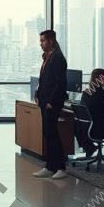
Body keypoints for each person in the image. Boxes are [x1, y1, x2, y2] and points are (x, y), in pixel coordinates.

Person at [34, 29, 69, 179]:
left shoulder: (58, 58)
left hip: (51, 103)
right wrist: (37, 94)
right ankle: (50, 166)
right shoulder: (47, 57)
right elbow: (44, 80)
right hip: (43, 101)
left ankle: (60, 167)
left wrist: (51, 101)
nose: (40, 44)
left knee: (52, 133)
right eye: (40, 41)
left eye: (43, 41)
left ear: (51, 41)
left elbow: (60, 83)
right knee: (47, 133)